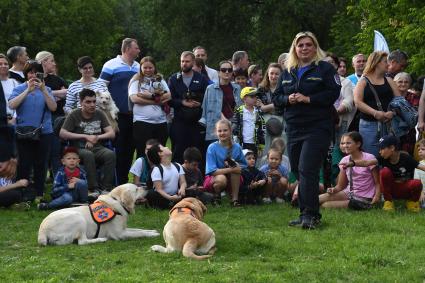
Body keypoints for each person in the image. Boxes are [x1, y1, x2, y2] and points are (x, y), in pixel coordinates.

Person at [273, 31, 340, 229]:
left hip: (317, 126)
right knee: (298, 171)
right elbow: (276, 98)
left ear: (315, 47)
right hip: (294, 127)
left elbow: (332, 93)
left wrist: (309, 99)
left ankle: (310, 215)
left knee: (307, 169)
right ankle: (305, 214)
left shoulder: (325, 69)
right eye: (300, 45)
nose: (304, 48)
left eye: (308, 44)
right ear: (295, 48)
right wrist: (288, 99)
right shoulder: (287, 71)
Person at [8, 60, 57, 201]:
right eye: (30, 72)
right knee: (24, 163)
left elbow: (53, 108)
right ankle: (23, 194)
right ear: (26, 74)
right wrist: (27, 90)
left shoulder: (46, 90)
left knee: (41, 164)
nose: (33, 75)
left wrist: (42, 90)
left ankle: (39, 193)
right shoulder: (19, 88)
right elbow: (12, 105)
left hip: (44, 132)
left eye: (37, 72)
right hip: (24, 132)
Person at [99, 38, 140, 184]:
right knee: (119, 149)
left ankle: (124, 181)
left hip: (135, 115)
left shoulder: (138, 66)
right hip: (117, 116)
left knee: (130, 150)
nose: (139, 50)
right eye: (136, 48)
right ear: (128, 48)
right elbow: (101, 87)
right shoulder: (111, 65)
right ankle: (116, 182)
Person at [59, 88, 116, 193]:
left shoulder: (99, 113)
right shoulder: (74, 114)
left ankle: (106, 188)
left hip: (97, 147)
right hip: (78, 148)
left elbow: (111, 133)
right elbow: (62, 133)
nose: (92, 105)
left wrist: (97, 137)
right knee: (88, 155)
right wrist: (85, 136)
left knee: (110, 154)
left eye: (94, 101)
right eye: (88, 102)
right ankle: (92, 188)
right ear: (81, 102)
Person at [353, 51, 400, 157]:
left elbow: (399, 101)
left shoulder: (389, 80)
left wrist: (392, 112)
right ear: (376, 63)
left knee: (390, 156)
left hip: (389, 124)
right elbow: (357, 102)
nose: (388, 64)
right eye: (385, 61)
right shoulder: (363, 81)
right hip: (369, 126)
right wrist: (375, 113)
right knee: (371, 157)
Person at [319, 132, 380, 209]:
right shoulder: (344, 160)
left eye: (348, 143)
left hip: (364, 197)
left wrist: (377, 196)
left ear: (358, 144)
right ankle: (300, 202)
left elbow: (377, 182)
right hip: (348, 193)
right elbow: (340, 186)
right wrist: (333, 189)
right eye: (343, 143)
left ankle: (363, 205)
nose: (345, 146)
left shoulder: (369, 158)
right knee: (319, 199)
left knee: (325, 205)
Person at [168, 51, 209, 164]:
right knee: (178, 152)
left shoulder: (202, 79)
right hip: (179, 122)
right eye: (182, 61)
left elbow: (208, 98)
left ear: (193, 62)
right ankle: (177, 180)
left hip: (197, 123)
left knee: (198, 153)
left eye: (187, 61)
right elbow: (169, 100)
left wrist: (200, 103)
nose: (184, 64)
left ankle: (198, 179)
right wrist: (182, 102)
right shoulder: (173, 79)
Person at [129, 56, 171, 159]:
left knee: (160, 154)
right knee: (143, 154)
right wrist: (156, 101)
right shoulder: (136, 80)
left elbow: (168, 95)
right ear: (141, 68)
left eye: (150, 67)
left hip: (161, 122)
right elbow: (134, 99)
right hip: (142, 122)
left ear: (154, 67)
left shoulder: (159, 79)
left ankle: (158, 174)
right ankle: (143, 175)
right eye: (145, 68)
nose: (148, 70)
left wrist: (150, 96)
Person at [35, 51, 68, 177]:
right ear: (43, 62)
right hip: (39, 119)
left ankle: (57, 180)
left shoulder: (56, 79)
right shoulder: (36, 78)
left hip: (56, 118)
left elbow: (66, 92)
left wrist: (48, 94)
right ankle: (40, 181)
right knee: (41, 152)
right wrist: (54, 94)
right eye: (52, 61)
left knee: (56, 150)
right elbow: (37, 95)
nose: (54, 64)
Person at [203, 119, 247, 206]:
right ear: (216, 132)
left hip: (234, 178)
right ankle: (216, 196)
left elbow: (243, 166)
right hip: (215, 177)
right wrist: (231, 169)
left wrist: (235, 165)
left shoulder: (237, 147)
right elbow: (212, 171)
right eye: (219, 131)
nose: (222, 133)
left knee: (236, 169)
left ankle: (235, 200)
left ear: (230, 131)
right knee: (221, 179)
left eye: (225, 130)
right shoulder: (212, 147)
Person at [199, 60, 242, 147]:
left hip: (232, 128)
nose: (227, 72)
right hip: (214, 130)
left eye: (229, 70)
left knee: (231, 158)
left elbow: (240, 109)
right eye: (223, 70)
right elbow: (204, 109)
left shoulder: (237, 88)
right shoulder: (210, 89)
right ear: (218, 72)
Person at [377, 135, 423, 212]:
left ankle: (412, 202)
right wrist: (353, 163)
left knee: (417, 183)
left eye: (382, 148)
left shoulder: (406, 158)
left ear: (392, 148)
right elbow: (367, 162)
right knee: (384, 172)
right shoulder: (382, 158)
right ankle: (388, 202)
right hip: (391, 188)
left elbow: (421, 167)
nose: (379, 151)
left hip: (404, 187)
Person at [323, 53, 356, 144]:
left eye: (331, 62)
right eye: (326, 62)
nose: (329, 64)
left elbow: (349, 101)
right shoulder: (317, 81)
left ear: (336, 65)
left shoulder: (345, 82)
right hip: (321, 122)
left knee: (340, 149)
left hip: (340, 121)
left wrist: (334, 114)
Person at [146, 144, 186, 209]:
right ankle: (171, 203)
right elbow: (159, 189)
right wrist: (170, 198)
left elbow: (183, 182)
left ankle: (173, 203)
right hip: (163, 196)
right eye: (163, 147)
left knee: (190, 192)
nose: (167, 147)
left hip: (175, 194)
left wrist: (182, 189)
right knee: (151, 194)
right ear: (160, 153)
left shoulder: (178, 165)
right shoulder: (157, 169)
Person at [257, 63, 285, 156]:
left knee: (281, 147)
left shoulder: (285, 89)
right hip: (264, 122)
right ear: (267, 74)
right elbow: (258, 108)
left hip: (282, 121)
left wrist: (266, 107)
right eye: (271, 73)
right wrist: (274, 106)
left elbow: (284, 105)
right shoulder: (261, 89)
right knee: (265, 147)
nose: (274, 76)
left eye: (277, 74)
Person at [232, 86, 265, 156]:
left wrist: (261, 147)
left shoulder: (258, 112)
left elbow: (262, 130)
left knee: (253, 163)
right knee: (242, 163)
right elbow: (234, 127)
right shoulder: (239, 111)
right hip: (242, 144)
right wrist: (235, 143)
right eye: (252, 96)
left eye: (256, 96)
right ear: (244, 98)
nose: (255, 98)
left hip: (254, 144)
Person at [0, 54, 19, 125]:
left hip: (13, 121)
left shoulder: (14, 82)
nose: (3, 66)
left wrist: (14, 118)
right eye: (0, 64)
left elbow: (20, 102)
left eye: (6, 64)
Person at [414, 139, 425, 208]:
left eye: (423, 149)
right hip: (423, 193)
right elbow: (417, 181)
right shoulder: (418, 165)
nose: (420, 151)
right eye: (418, 150)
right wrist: (421, 193)